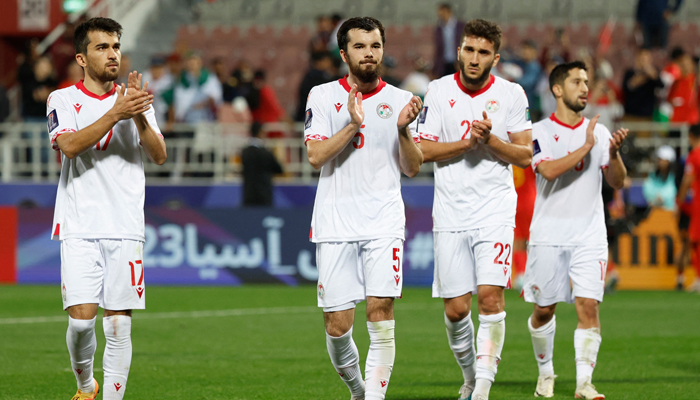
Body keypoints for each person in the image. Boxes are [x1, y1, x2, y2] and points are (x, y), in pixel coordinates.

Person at [46, 17, 166, 400]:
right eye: (102, 47)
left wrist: (141, 115)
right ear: (82, 58)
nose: (112, 54)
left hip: (126, 225)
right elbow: (68, 146)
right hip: (79, 225)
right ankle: (86, 385)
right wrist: (117, 112)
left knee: (118, 327)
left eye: (115, 46)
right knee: (82, 324)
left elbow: (159, 155)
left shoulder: (136, 100)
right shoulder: (62, 99)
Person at [304, 17, 423, 400]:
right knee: (338, 327)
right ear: (344, 54)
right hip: (335, 222)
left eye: (375, 45)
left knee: (380, 311)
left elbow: (413, 167)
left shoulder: (402, 101)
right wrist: (353, 125)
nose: (368, 53)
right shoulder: (321, 97)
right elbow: (315, 157)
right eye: (359, 46)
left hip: (384, 221)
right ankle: (358, 389)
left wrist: (404, 130)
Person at [417, 19, 533, 400]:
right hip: (450, 211)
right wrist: (468, 144)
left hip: (494, 209)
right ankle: (470, 375)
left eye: (483, 52)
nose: (474, 58)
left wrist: (491, 141)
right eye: (469, 50)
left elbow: (525, 154)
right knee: (455, 310)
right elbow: (422, 150)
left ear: (495, 58)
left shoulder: (512, 94)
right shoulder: (437, 90)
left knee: (490, 297)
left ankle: (481, 389)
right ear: (459, 50)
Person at [525, 61, 628, 399]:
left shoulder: (598, 132)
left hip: (589, 235)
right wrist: (585, 148)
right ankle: (546, 373)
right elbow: (549, 171)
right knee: (544, 310)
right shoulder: (538, 130)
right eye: (576, 82)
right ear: (557, 89)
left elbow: (617, 181)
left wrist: (612, 155)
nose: (585, 88)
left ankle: (584, 383)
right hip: (549, 236)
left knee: (588, 306)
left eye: (587, 81)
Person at [677, 126, 700, 293]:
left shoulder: (694, 156)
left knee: (695, 241)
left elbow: (686, 181)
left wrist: (679, 202)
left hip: (698, 205)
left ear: (690, 136)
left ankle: (699, 279)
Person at [241, 122, 283, 206]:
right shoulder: (266, 153)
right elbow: (279, 169)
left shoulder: (244, 152)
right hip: (264, 195)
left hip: (248, 194)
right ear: (260, 132)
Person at [622, 48, 663, 123]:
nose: (644, 61)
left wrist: (653, 75)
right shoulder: (630, 73)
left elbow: (661, 86)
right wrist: (643, 76)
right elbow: (625, 88)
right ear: (637, 58)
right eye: (642, 58)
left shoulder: (654, 73)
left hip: (646, 116)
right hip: (630, 114)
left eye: (646, 59)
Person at [433, 3, 466, 78]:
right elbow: (438, 49)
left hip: (457, 62)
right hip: (444, 63)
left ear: (449, 12)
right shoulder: (439, 29)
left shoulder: (460, 26)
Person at [643, 145, 677, 211]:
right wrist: (655, 199)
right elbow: (647, 190)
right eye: (659, 159)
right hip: (654, 213)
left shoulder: (675, 177)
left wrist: (663, 199)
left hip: (671, 214)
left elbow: (674, 194)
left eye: (663, 160)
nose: (660, 162)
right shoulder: (652, 176)